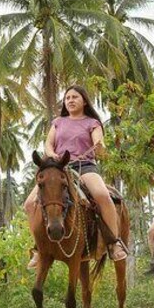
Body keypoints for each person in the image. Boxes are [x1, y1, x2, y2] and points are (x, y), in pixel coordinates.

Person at [25, 85, 128, 269]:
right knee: (29, 204)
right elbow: (48, 144)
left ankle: (114, 243)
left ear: (84, 101)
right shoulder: (58, 122)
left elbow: (99, 141)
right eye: (67, 98)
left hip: (85, 167)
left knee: (103, 196)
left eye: (75, 97)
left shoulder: (92, 123)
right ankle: (39, 249)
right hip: (59, 168)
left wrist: (99, 145)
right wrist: (52, 154)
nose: (70, 100)